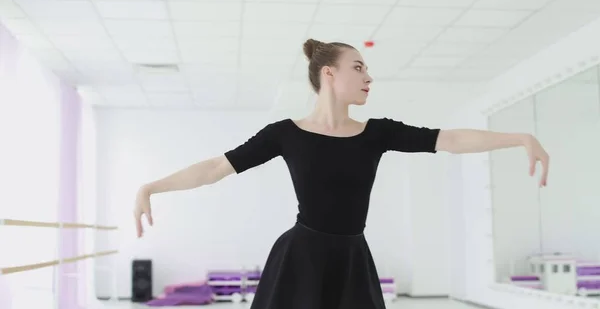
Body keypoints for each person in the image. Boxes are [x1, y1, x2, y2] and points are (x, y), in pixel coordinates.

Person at [133, 39, 550, 308]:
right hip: (301, 258)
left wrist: (518, 138)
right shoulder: (285, 134)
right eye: (359, 67)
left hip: (352, 258)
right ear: (328, 74)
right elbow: (214, 168)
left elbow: (451, 139)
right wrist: (153, 186)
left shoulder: (377, 133)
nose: (369, 77)